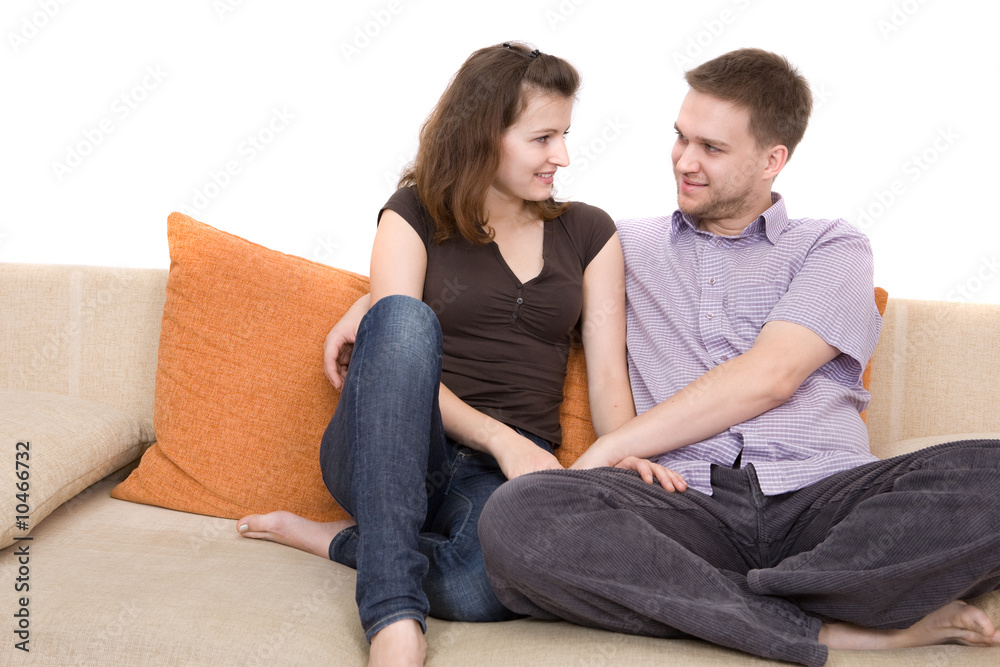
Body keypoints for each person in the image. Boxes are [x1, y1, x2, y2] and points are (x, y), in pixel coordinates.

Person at [478, 48, 1000, 667]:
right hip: (686, 512)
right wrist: (379, 297)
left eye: (712, 149)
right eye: (680, 138)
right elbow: (482, 240)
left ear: (773, 160)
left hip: (824, 501)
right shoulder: (615, 243)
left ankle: (740, 606)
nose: (684, 162)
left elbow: (771, 377)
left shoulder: (831, 247)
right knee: (521, 514)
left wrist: (610, 449)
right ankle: (827, 620)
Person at [234, 42, 650, 667]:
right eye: (542, 138)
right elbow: (392, 348)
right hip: (391, 445)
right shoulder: (411, 216)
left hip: (490, 481)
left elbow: (608, 381)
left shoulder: (588, 232)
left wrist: (625, 460)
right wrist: (505, 439)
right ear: (486, 136)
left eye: (564, 135)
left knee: (486, 584)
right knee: (398, 317)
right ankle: (393, 617)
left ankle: (352, 544)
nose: (561, 156)